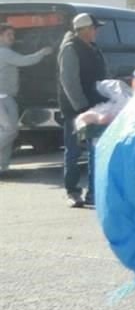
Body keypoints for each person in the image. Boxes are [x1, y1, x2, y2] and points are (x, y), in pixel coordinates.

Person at [58, 13, 107, 208]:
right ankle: (72, 191)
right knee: (73, 151)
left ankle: (93, 193)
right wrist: (81, 108)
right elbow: (69, 81)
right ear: (85, 29)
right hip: (75, 110)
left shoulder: (93, 48)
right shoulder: (70, 49)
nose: (97, 31)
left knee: (95, 151)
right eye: (94, 28)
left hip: (93, 108)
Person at [0, 23, 53, 174]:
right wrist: (42, 53)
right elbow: (24, 61)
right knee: (10, 131)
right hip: (2, 99)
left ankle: (3, 167)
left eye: (13, 35)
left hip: (7, 98)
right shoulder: (3, 52)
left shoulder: (6, 52)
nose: (12, 38)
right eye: (9, 35)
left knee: (5, 132)